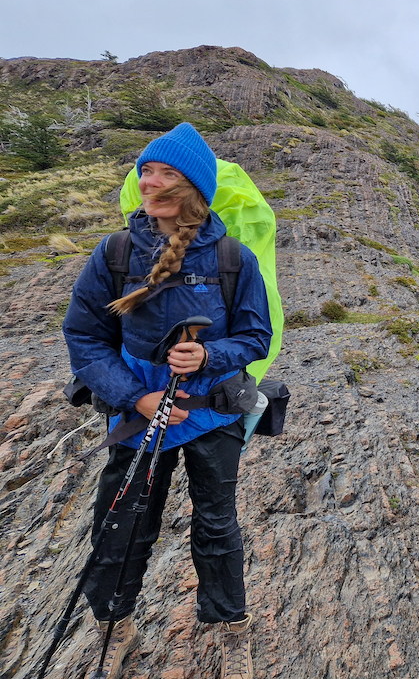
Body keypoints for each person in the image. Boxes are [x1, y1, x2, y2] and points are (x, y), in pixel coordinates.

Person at [62, 122, 272, 679]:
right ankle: (113, 623)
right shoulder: (113, 254)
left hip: (213, 412)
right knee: (124, 518)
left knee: (216, 522)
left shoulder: (233, 258)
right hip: (141, 411)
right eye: (145, 170)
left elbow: (256, 338)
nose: (150, 181)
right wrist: (139, 395)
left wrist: (208, 358)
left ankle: (230, 626)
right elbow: (84, 338)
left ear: (193, 188)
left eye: (166, 173)